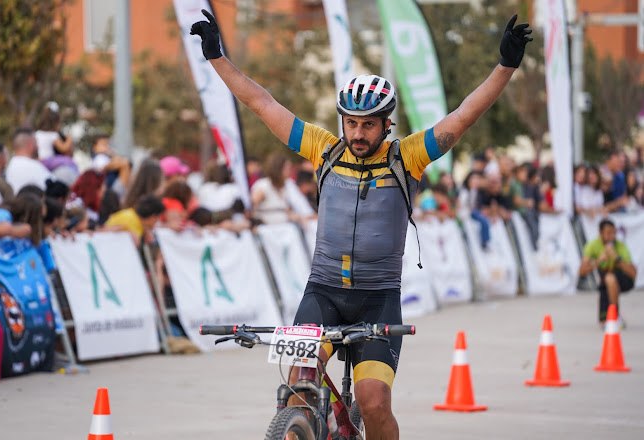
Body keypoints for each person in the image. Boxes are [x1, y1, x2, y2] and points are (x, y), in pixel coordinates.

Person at [190, 10, 531, 439]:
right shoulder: (324, 150)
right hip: (323, 292)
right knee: (298, 386)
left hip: (377, 299)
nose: (357, 133)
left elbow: (462, 117)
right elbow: (263, 104)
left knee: (373, 403)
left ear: (387, 124)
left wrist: (506, 66)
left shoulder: (407, 157)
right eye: (351, 123)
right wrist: (217, 58)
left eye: (368, 125)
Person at [578, 219, 636, 325]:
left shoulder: (620, 246)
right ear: (600, 234)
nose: (612, 236)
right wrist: (598, 261)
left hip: (622, 278)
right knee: (603, 321)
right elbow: (581, 271)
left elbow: (633, 273)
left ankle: (615, 315)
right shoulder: (592, 245)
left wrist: (617, 258)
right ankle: (608, 315)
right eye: (608, 233)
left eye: (614, 233)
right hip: (604, 281)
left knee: (610, 278)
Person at [5, 128, 53, 194]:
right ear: (30, 144)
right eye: (36, 143)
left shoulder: (12, 164)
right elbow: (55, 187)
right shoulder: (31, 166)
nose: (38, 146)